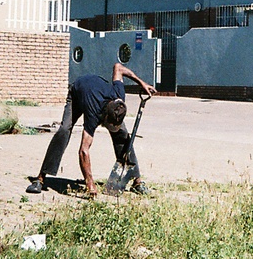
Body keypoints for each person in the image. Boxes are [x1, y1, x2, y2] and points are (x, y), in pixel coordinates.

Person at [27, 63, 157, 197]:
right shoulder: (93, 114)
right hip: (77, 94)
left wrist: (141, 83)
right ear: (104, 117)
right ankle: (40, 178)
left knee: (123, 136)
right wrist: (90, 184)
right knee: (64, 130)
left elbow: (118, 67)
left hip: (96, 90)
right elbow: (84, 151)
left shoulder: (118, 97)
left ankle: (137, 182)